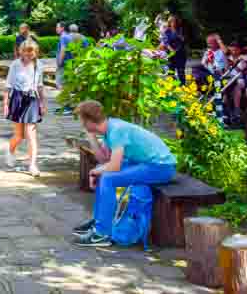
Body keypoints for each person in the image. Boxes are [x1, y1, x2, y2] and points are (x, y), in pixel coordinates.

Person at [72, 100, 177, 247]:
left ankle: (102, 234)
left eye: (83, 121)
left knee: (108, 178)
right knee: (103, 172)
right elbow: (104, 159)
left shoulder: (116, 130)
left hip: (160, 167)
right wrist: (91, 137)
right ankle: (99, 222)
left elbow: (114, 166)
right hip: (143, 164)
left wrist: (94, 171)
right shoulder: (109, 128)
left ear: (89, 120)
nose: (82, 125)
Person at [3, 39, 46, 177]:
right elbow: (8, 86)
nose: (27, 54)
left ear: (35, 52)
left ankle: (32, 165)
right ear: (20, 51)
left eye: (30, 51)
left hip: (32, 99)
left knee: (31, 134)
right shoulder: (15, 65)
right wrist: (5, 104)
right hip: (17, 99)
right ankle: (10, 151)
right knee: (19, 135)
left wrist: (42, 103)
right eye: (25, 51)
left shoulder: (39, 65)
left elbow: (40, 86)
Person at [55, 22, 73, 114]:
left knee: (61, 85)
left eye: (57, 27)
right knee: (65, 85)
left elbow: (63, 50)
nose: (56, 29)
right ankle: (67, 106)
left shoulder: (63, 37)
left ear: (62, 28)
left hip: (63, 65)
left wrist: (59, 63)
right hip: (68, 64)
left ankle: (67, 107)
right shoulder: (68, 36)